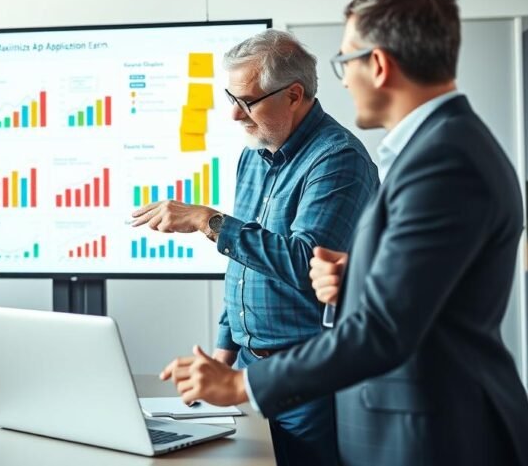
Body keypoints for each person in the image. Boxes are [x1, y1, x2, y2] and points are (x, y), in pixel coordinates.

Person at [161, 0, 528, 466]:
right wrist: (353, 274)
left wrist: (241, 384)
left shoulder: (443, 160)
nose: (342, 80)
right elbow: (417, 293)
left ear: (379, 65)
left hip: (438, 431)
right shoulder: (438, 148)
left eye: (346, 62)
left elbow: (384, 329)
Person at [132, 29, 378, 465]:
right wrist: (226, 349)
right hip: (246, 366)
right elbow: (245, 266)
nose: (233, 114)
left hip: (307, 377)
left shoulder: (338, 159)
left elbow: (306, 263)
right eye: (231, 97)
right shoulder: (254, 153)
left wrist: (208, 221)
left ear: (294, 95)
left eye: (247, 101)